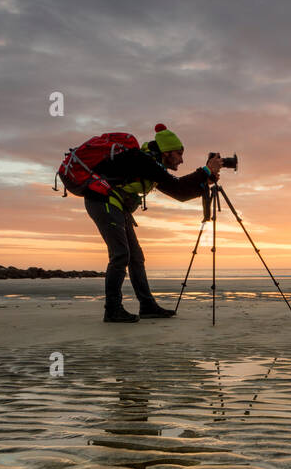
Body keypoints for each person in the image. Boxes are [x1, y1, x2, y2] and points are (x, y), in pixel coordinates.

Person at [86, 124, 223, 322]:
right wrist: (205, 170)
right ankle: (112, 309)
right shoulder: (145, 161)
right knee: (121, 254)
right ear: (167, 152)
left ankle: (147, 305)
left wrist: (205, 180)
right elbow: (177, 185)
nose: (182, 159)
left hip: (114, 205)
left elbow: (179, 193)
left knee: (136, 257)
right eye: (179, 153)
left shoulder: (153, 165)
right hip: (103, 202)